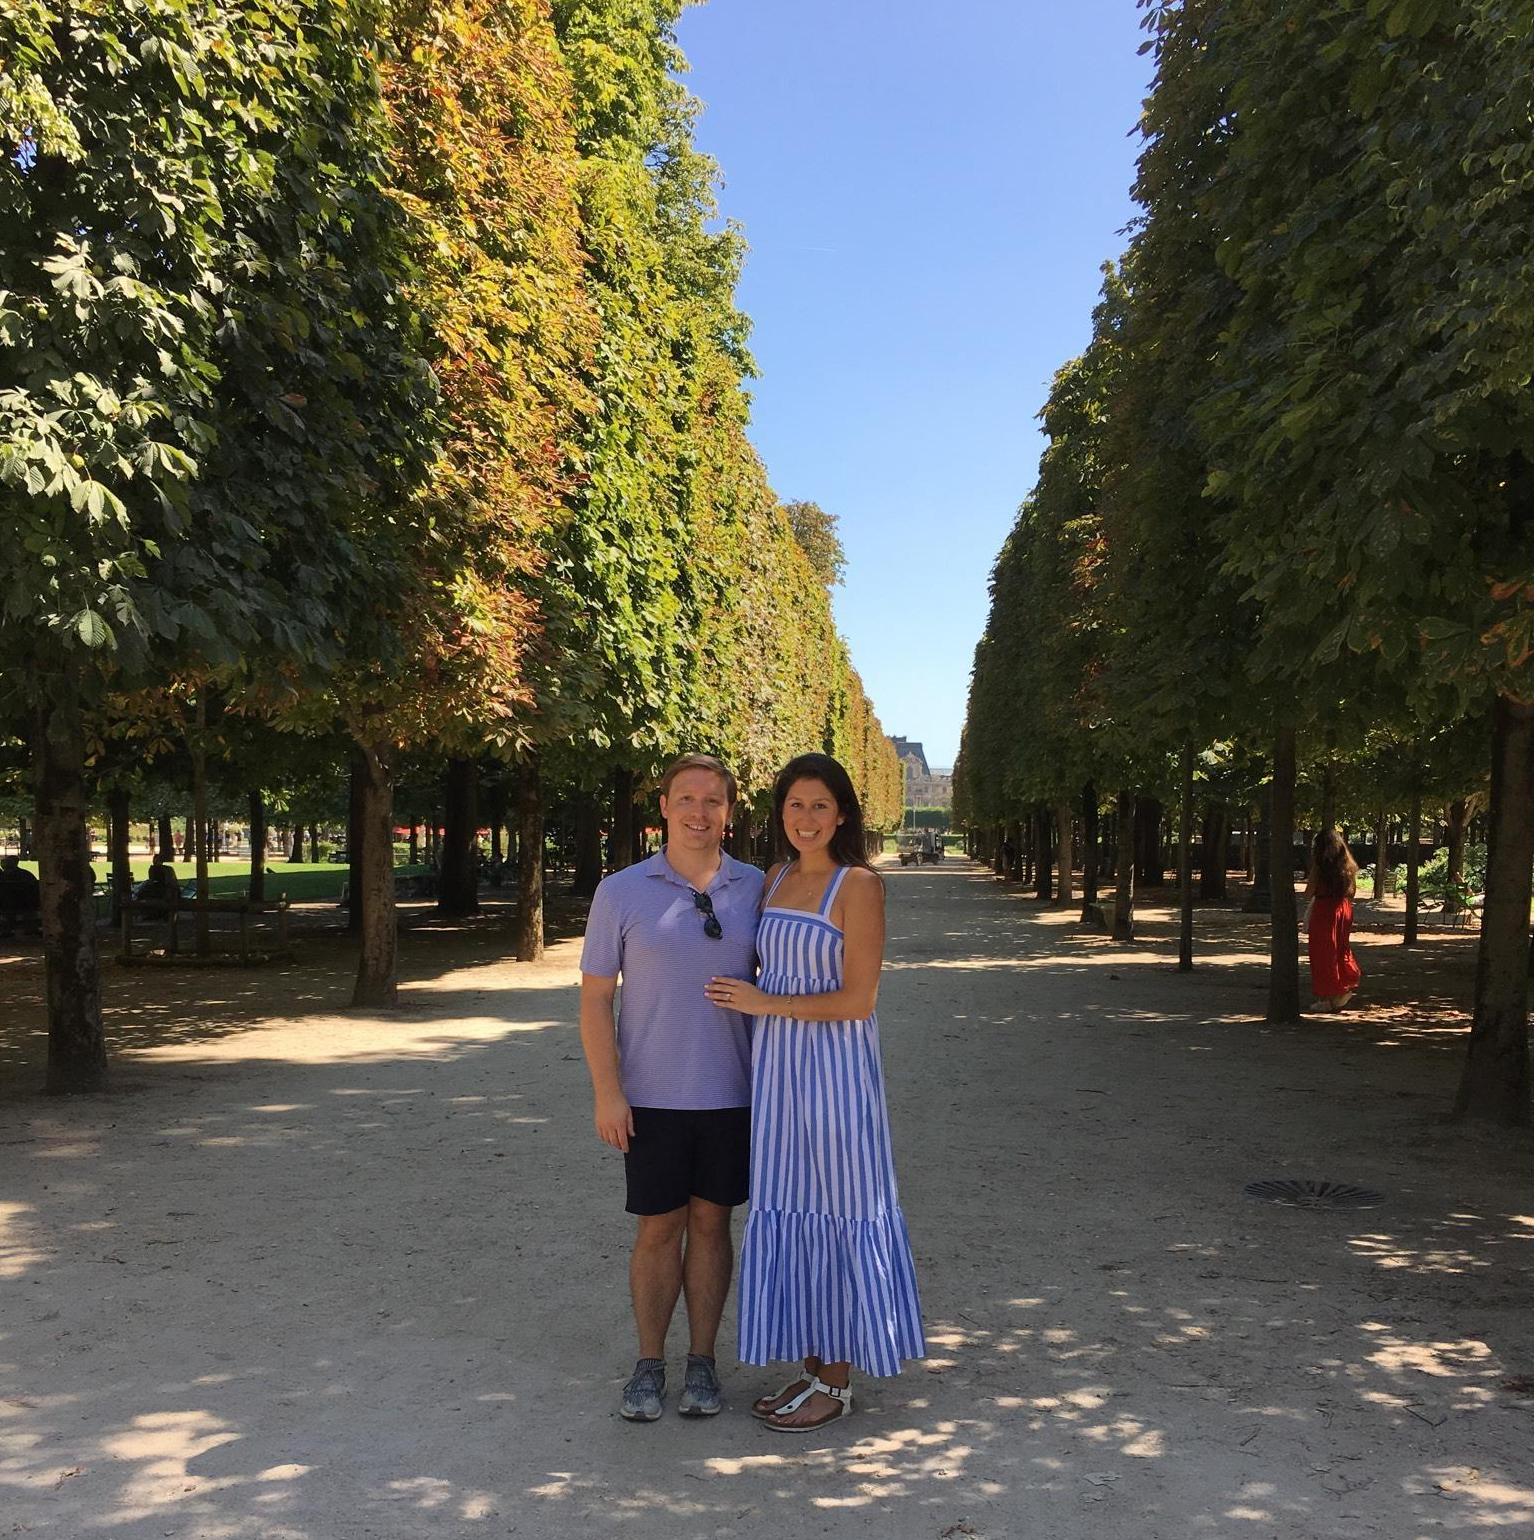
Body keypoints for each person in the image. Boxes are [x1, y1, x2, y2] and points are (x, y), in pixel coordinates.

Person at [707, 752, 924, 1432]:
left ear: (843, 814)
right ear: (780, 812)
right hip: (778, 1076)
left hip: (835, 1075)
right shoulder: (773, 877)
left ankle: (837, 1381)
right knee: (792, 1205)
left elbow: (859, 1000)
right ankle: (809, 1371)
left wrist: (766, 1003)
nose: (806, 818)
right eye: (795, 805)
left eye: (820, 806)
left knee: (839, 1209)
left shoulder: (858, 885)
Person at [578, 753, 763, 1423]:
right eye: (686, 798)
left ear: (729, 812)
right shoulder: (621, 891)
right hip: (651, 1095)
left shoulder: (757, 888)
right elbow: (595, 999)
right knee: (659, 1228)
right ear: (663, 807)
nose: (699, 811)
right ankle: (650, 1362)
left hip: (732, 1092)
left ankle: (703, 1361)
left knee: (713, 1225)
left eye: (713, 800)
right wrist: (608, 1092)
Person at [1305, 829, 1361, 1010]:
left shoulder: (1320, 866)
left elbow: (1309, 891)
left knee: (1322, 953)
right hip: (1343, 908)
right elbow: (1353, 891)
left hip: (1324, 909)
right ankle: (1344, 986)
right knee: (1341, 949)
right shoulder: (1348, 866)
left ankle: (1328, 997)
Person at [0, 856, 41, 936]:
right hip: (26, 903)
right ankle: (30, 929)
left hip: (9, 904)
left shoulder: (3, 876)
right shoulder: (26, 874)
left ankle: (7, 930)